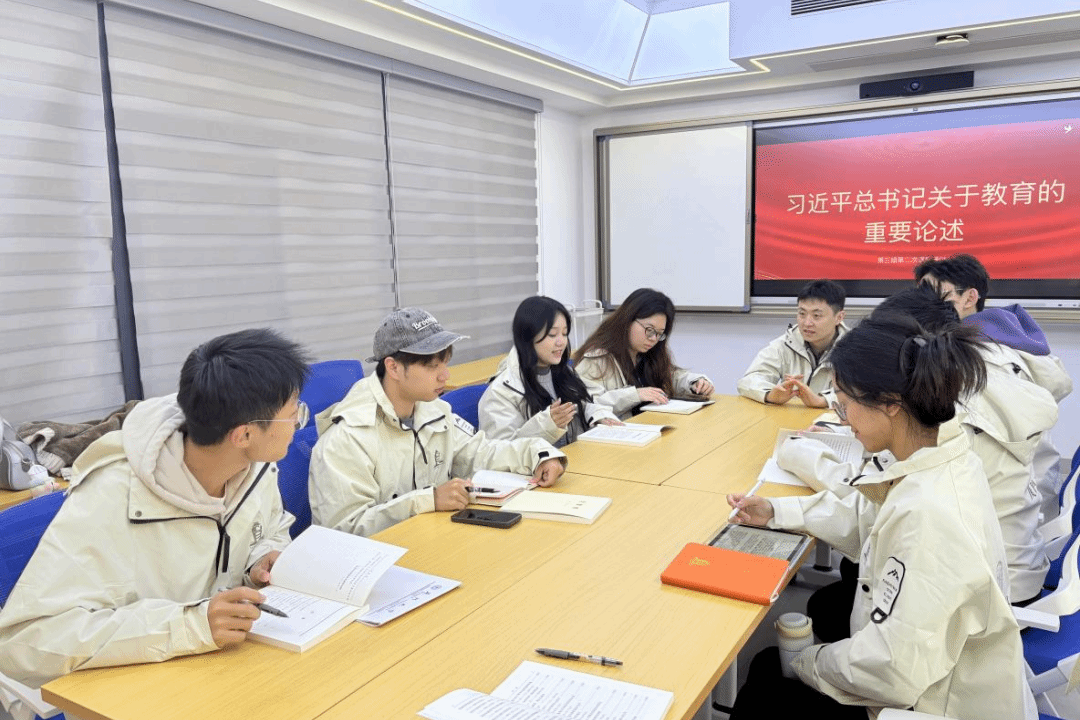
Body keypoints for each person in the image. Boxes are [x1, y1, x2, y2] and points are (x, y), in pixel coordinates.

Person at [727, 313, 1036, 720]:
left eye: (844, 403)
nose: (842, 417)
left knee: (767, 682)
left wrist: (810, 661)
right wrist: (776, 510)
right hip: (919, 673)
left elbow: (893, 671)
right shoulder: (938, 453)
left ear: (890, 402)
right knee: (775, 666)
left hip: (930, 706)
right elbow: (868, 518)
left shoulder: (930, 514)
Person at [0, 328, 309, 692]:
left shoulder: (254, 466)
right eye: (293, 415)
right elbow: (22, 645)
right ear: (243, 435)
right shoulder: (110, 499)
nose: (297, 425)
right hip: (135, 691)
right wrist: (189, 625)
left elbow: (271, 527)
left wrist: (259, 561)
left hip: (223, 667)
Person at [308, 307, 566, 537]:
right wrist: (428, 500)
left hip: (429, 541)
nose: (445, 375)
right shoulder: (347, 438)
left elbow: (481, 453)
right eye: (432, 366)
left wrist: (539, 454)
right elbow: (344, 531)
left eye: (445, 363)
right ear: (394, 368)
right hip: (376, 564)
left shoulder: (434, 411)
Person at [916, 253, 1073, 518]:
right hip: (1029, 498)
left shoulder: (979, 360)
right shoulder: (1010, 341)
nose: (923, 303)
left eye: (935, 294)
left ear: (970, 298)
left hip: (996, 507)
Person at [479, 296, 620, 446]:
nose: (561, 342)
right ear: (527, 336)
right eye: (552, 335)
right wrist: (547, 425)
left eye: (564, 334)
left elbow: (586, 402)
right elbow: (500, 451)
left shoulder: (564, 373)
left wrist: (598, 416)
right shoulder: (501, 392)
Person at [572, 288, 713, 420]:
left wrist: (695, 382)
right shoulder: (597, 358)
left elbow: (671, 376)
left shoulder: (647, 353)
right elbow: (588, 405)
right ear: (628, 320)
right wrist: (635, 395)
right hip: (616, 433)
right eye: (649, 330)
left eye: (659, 334)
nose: (653, 338)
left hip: (649, 426)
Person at [737, 279, 847, 407]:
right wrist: (769, 395)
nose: (807, 323)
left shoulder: (855, 348)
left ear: (839, 317)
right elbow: (748, 380)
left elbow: (862, 393)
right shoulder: (787, 342)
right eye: (802, 314)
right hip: (793, 416)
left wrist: (823, 401)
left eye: (816, 316)